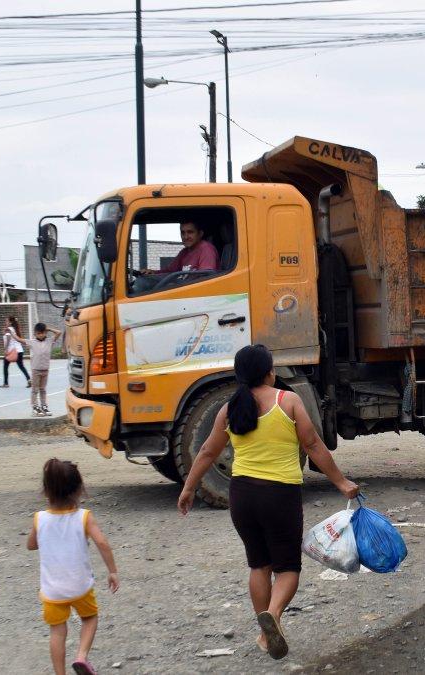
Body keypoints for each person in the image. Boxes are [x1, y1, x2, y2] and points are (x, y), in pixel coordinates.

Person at [177, 344, 360, 661]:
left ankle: (265, 633)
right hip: (279, 495)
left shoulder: (230, 408)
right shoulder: (287, 400)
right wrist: (341, 482)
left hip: (242, 495)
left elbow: (207, 451)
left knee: (258, 563)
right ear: (268, 371)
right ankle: (272, 617)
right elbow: (313, 444)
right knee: (288, 567)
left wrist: (189, 488)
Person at [26, 458, 119, 675]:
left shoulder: (39, 519)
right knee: (90, 617)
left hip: (52, 591)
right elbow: (102, 543)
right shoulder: (84, 517)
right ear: (79, 490)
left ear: (46, 491)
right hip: (79, 586)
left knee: (57, 632)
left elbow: (31, 545)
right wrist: (113, 571)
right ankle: (81, 656)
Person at [144, 221, 219, 275]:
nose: (186, 237)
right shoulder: (184, 252)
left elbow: (206, 277)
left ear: (200, 234)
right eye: (183, 233)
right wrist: (153, 272)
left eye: (190, 232)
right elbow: (170, 271)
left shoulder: (206, 249)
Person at [29, 323, 63, 417]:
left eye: (43, 333)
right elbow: (20, 340)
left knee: (43, 389)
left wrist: (48, 328)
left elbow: (59, 332)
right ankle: (35, 407)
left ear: (45, 333)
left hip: (45, 369)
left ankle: (44, 406)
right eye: (38, 333)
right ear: (35, 333)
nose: (41, 335)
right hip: (36, 369)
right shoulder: (32, 342)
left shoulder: (49, 341)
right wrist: (12, 334)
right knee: (35, 389)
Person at [1, 316, 32, 388]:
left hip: (13, 351)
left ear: (10, 322)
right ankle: (29, 379)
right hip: (19, 350)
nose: (5, 322)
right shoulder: (16, 329)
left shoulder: (8, 329)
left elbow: (8, 337)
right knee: (21, 366)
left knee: (5, 366)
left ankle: (6, 383)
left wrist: (5, 349)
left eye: (7, 321)